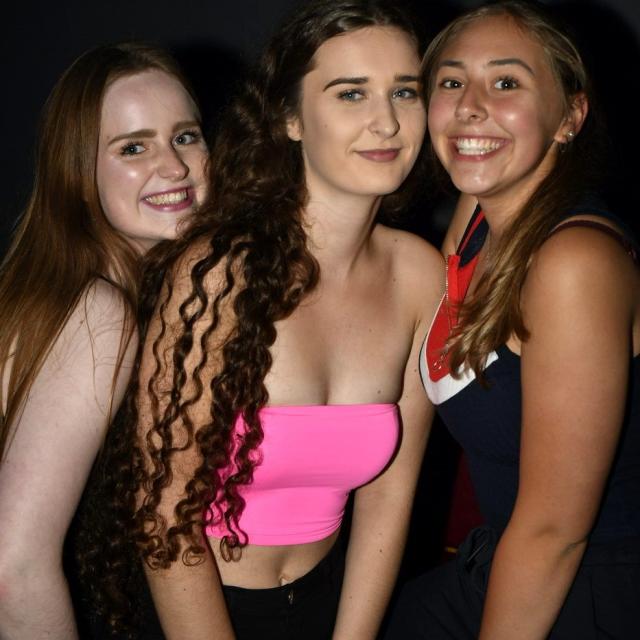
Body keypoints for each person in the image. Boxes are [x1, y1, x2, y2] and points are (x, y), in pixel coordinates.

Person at [91, 1, 443, 638]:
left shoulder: (420, 275)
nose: (386, 121)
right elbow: (163, 512)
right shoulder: (220, 273)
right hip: (199, 610)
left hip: (329, 600)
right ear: (289, 118)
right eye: (351, 93)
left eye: (404, 92)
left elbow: (390, 497)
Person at [385, 1, 640, 638]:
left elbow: (555, 532)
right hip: (497, 556)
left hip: (585, 588)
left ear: (570, 117)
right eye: (451, 82)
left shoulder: (574, 263)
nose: (470, 105)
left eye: (506, 82)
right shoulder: (481, 220)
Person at [0, 42, 207, 640]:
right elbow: (14, 569)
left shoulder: (86, 292)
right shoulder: (98, 312)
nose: (175, 167)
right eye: (133, 148)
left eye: (186, 137)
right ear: (77, 172)